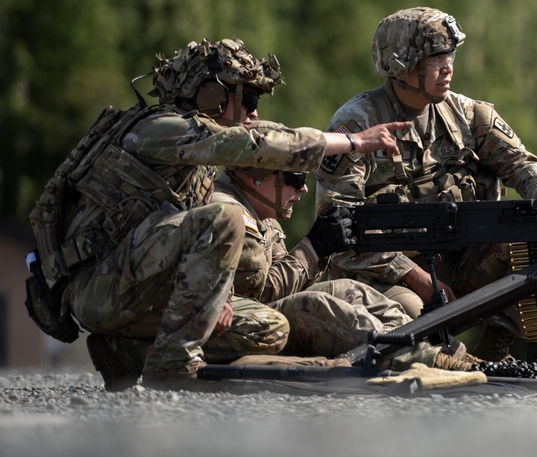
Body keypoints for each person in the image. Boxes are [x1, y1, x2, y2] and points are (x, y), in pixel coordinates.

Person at [29, 38, 409, 391]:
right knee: (224, 219)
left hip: (132, 286)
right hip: (99, 289)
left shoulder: (191, 161)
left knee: (269, 327)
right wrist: (354, 141)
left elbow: (181, 235)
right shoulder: (160, 130)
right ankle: (172, 365)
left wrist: (219, 292)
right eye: (248, 98)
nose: (254, 112)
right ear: (211, 94)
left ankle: (129, 351)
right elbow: (255, 144)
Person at [314, 7, 537, 360]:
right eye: (435, 58)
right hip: (385, 275)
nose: (448, 67)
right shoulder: (356, 125)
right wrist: (416, 277)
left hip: (459, 260)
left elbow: (522, 164)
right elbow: (336, 229)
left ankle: (499, 341)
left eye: (451, 55)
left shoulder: (468, 115)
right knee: (410, 323)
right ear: (401, 64)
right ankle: (450, 362)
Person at [210, 164, 472, 370]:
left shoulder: (260, 208)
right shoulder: (231, 212)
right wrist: (313, 246)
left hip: (258, 317)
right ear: (253, 177)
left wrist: (320, 248)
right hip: (234, 326)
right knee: (315, 306)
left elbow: (284, 286)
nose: (304, 189)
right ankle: (427, 361)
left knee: (349, 290)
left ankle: (445, 354)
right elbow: (258, 294)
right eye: (295, 178)